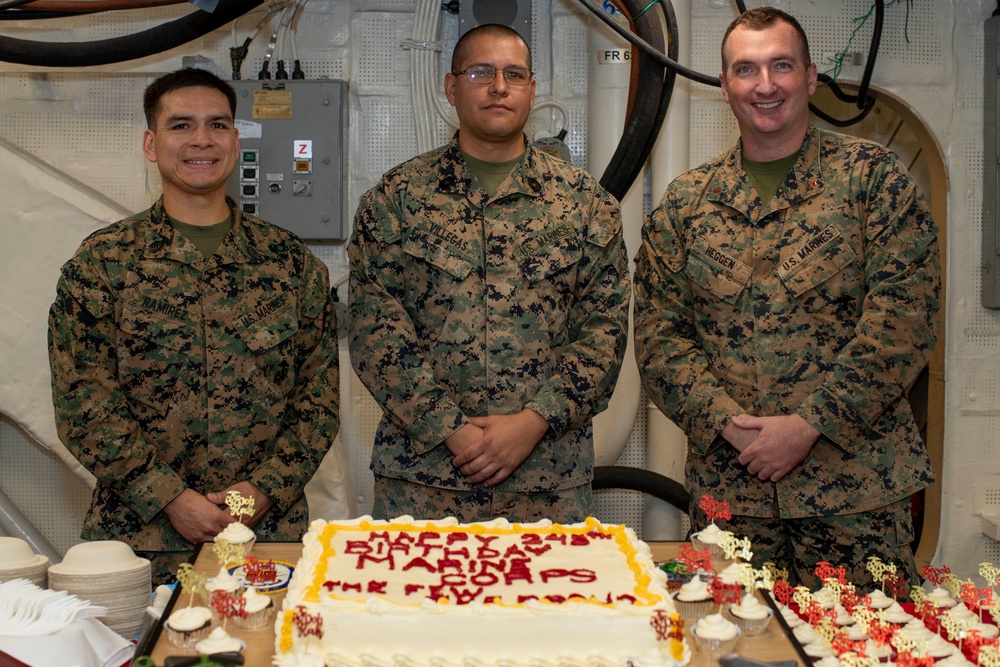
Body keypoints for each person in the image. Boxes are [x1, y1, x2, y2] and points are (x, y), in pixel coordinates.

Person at [633, 7, 941, 590]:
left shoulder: (873, 180)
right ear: (725, 87)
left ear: (810, 77)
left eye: (781, 66)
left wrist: (807, 426)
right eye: (745, 69)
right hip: (732, 496)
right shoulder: (687, 204)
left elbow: (904, 324)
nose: (765, 85)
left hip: (856, 499)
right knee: (733, 646)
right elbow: (658, 337)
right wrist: (728, 425)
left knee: (861, 645)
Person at [48, 68, 340, 584]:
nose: (201, 140)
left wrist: (251, 495)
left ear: (235, 138)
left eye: (218, 125)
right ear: (150, 142)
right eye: (181, 125)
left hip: (261, 535)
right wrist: (173, 499)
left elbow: (317, 404)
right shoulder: (103, 263)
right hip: (140, 541)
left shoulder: (290, 264)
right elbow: (84, 406)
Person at [349, 24, 630, 523]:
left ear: (531, 90)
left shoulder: (585, 204)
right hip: (424, 482)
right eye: (481, 72)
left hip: (546, 481)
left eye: (514, 74)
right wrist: (451, 429)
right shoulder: (395, 200)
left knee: (552, 603)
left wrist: (532, 423)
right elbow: (376, 335)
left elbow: (602, 333)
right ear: (451, 87)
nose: (499, 86)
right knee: (409, 604)